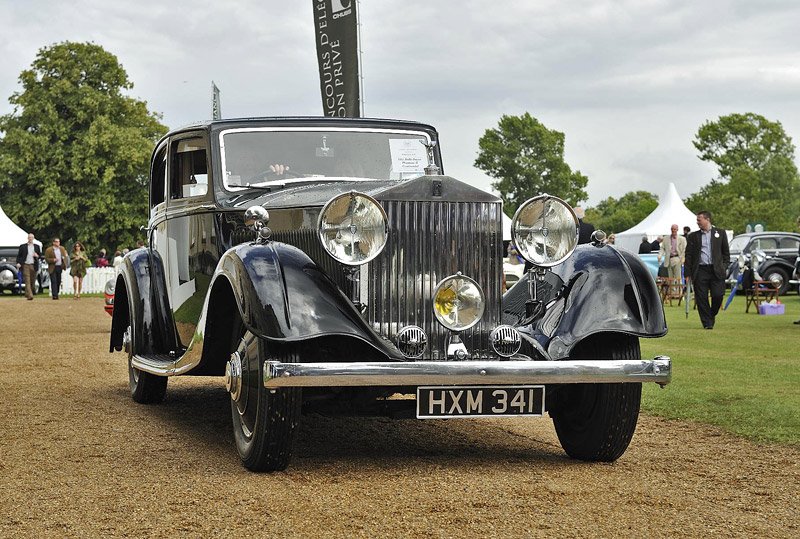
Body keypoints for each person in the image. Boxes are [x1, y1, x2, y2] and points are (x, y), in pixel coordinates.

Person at [684, 211, 730, 329]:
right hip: (700, 270)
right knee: (701, 297)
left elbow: (726, 253)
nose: (697, 222)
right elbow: (688, 255)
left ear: (707, 219)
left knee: (718, 295)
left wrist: (724, 266)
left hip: (716, 270)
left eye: (699, 219)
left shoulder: (720, 233)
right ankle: (707, 323)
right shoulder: (693, 236)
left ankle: (711, 314)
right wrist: (687, 272)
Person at [15, 232, 41, 300]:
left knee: (32, 281)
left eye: (31, 237)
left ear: (33, 238)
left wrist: (37, 256)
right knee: (27, 280)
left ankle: (27, 293)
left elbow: (40, 256)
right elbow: (19, 256)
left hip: (33, 265)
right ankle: (30, 295)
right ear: (27, 238)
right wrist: (18, 263)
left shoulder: (37, 247)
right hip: (25, 265)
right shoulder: (23, 246)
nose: (30, 239)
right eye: (29, 237)